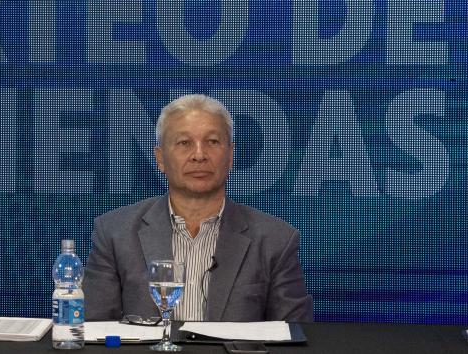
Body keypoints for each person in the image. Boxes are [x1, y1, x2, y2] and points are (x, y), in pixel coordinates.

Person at [83, 94, 313, 322]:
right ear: (160, 158)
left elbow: (297, 334)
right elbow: (93, 328)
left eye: (212, 142)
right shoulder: (115, 233)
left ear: (230, 156)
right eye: (184, 143)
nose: (199, 155)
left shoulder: (275, 240)